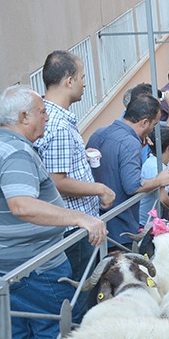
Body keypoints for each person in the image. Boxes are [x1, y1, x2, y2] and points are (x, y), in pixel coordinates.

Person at [0, 85, 107, 339]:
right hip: (38, 268)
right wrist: (81, 218)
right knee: (53, 336)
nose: (47, 118)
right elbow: (21, 204)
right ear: (23, 117)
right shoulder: (17, 152)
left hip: (11, 269)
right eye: (42, 112)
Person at [33, 50, 115, 307]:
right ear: (68, 80)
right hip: (73, 231)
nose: (85, 83)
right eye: (81, 77)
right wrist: (99, 188)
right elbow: (57, 180)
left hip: (73, 227)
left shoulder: (51, 118)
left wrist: (82, 156)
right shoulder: (56, 125)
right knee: (79, 298)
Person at [87, 93, 169, 248]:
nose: (152, 130)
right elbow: (133, 185)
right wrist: (158, 180)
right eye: (153, 125)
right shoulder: (129, 143)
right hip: (120, 227)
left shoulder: (98, 133)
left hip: (96, 222)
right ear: (144, 122)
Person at [139, 125, 169, 226]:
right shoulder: (153, 167)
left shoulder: (163, 162)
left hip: (157, 218)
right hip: (147, 222)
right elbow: (162, 198)